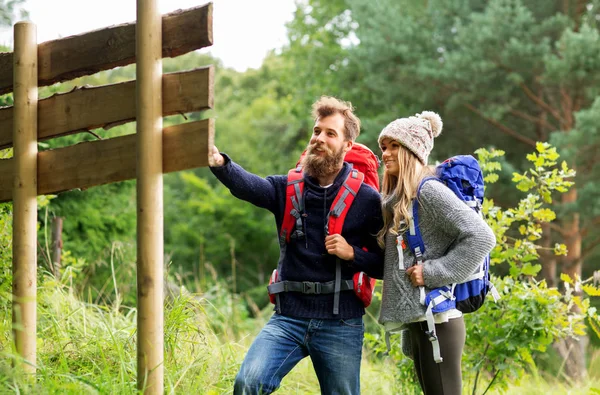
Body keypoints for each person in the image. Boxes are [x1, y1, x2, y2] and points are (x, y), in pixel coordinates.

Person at [208, 96, 384, 395]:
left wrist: (352, 254)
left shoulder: (366, 199)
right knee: (247, 384)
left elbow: (384, 265)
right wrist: (220, 164)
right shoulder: (287, 187)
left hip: (341, 321)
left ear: (347, 146)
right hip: (288, 317)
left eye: (331, 134)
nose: (320, 139)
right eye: (317, 131)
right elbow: (250, 186)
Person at [376, 111, 496, 394]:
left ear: (412, 151)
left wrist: (432, 272)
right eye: (384, 147)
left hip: (440, 321)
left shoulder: (429, 192)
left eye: (395, 146)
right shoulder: (402, 199)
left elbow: (481, 236)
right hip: (424, 321)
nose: (386, 153)